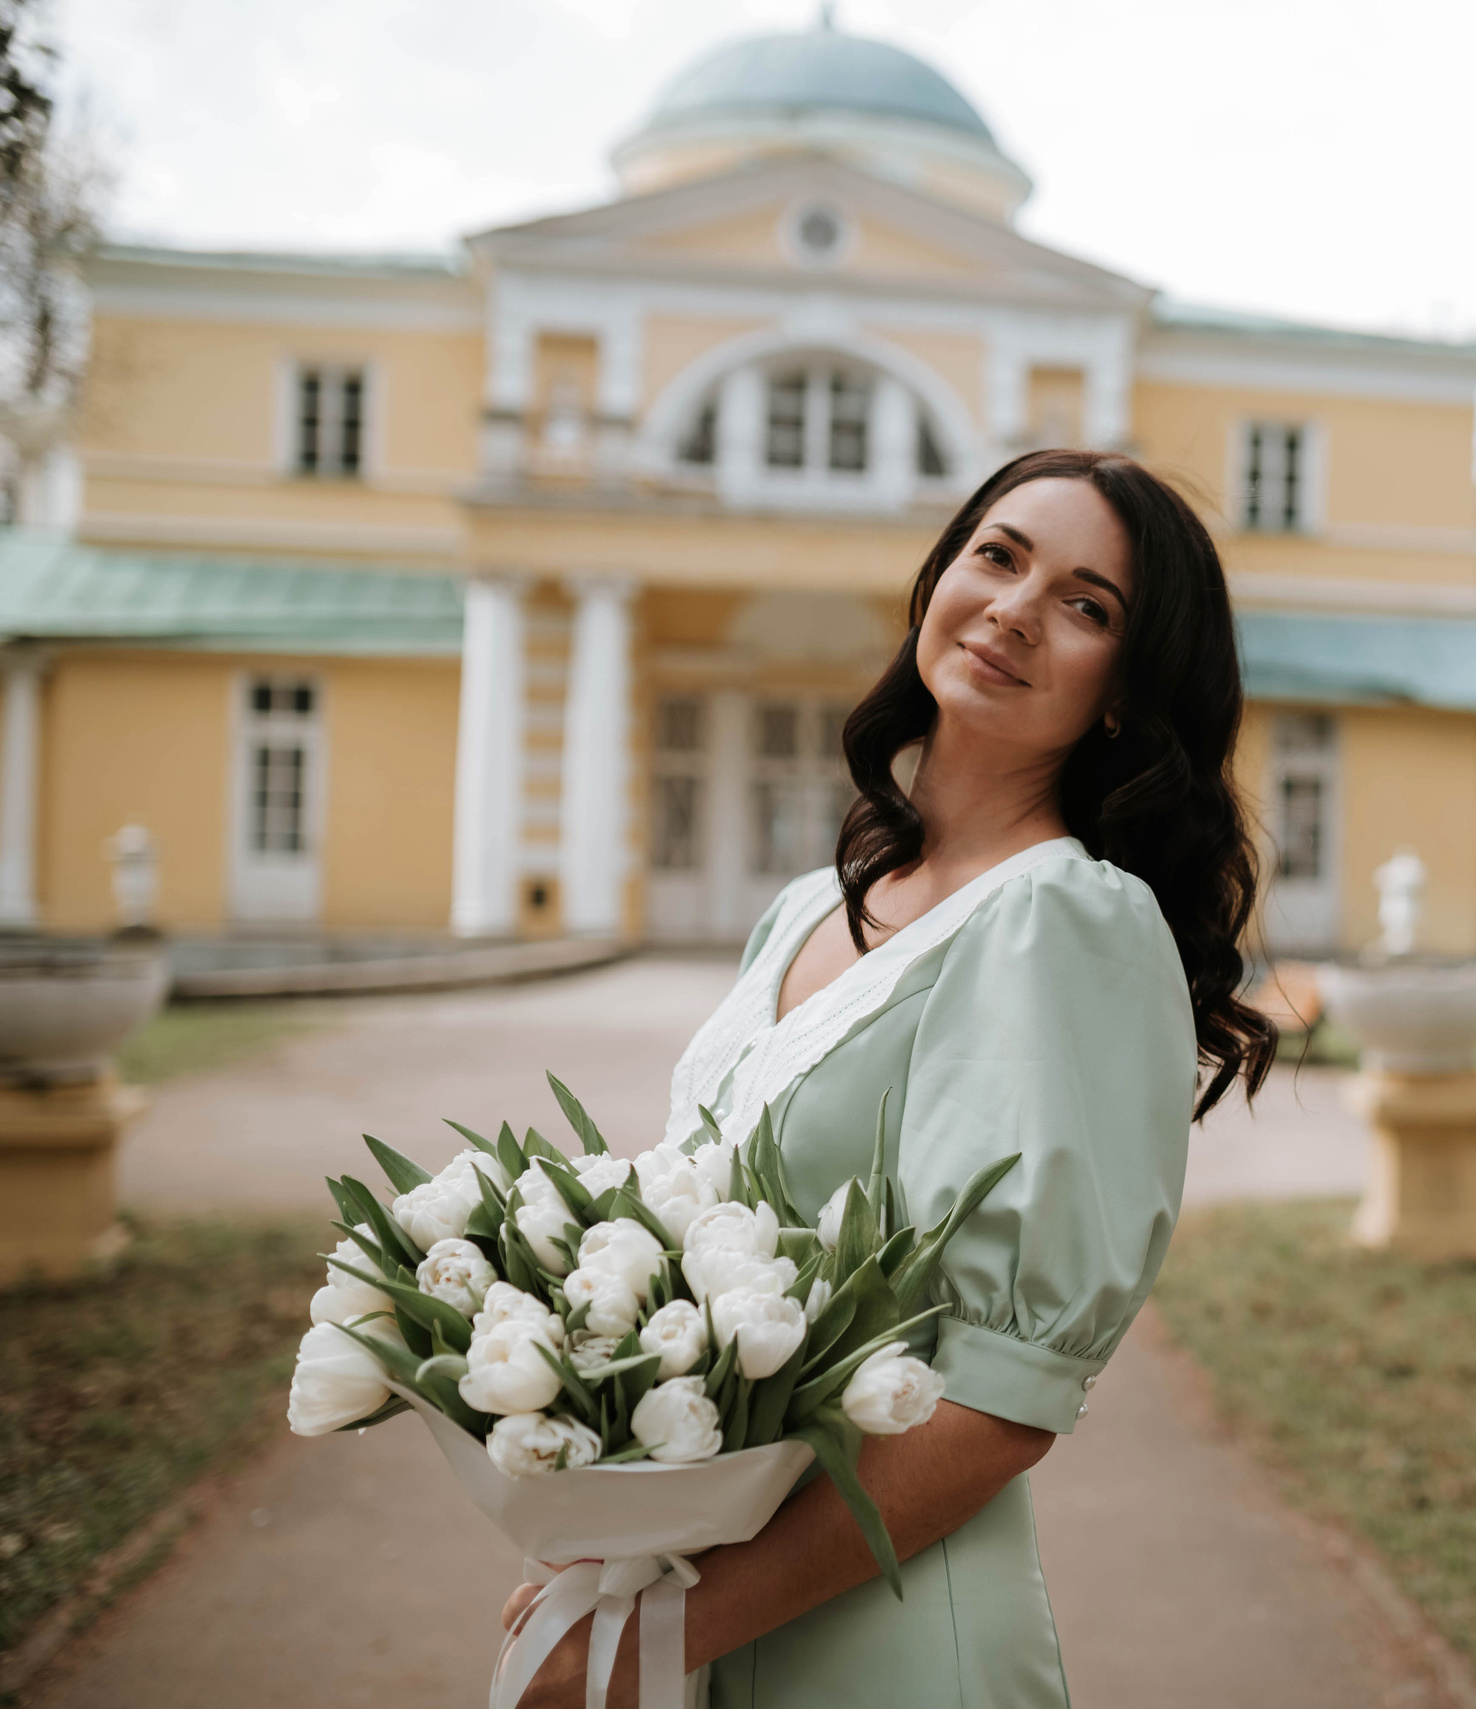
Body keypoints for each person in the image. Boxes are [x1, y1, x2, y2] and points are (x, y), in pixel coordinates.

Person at [501, 448, 1276, 1707]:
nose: (1015, 609)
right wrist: (605, 1533)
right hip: (692, 1593)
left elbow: (999, 1400)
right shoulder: (810, 905)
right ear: (937, 580)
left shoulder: (1068, 919)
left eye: (1086, 606)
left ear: (1125, 689)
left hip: (884, 1638)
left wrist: (657, 1633)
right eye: (998, 555)